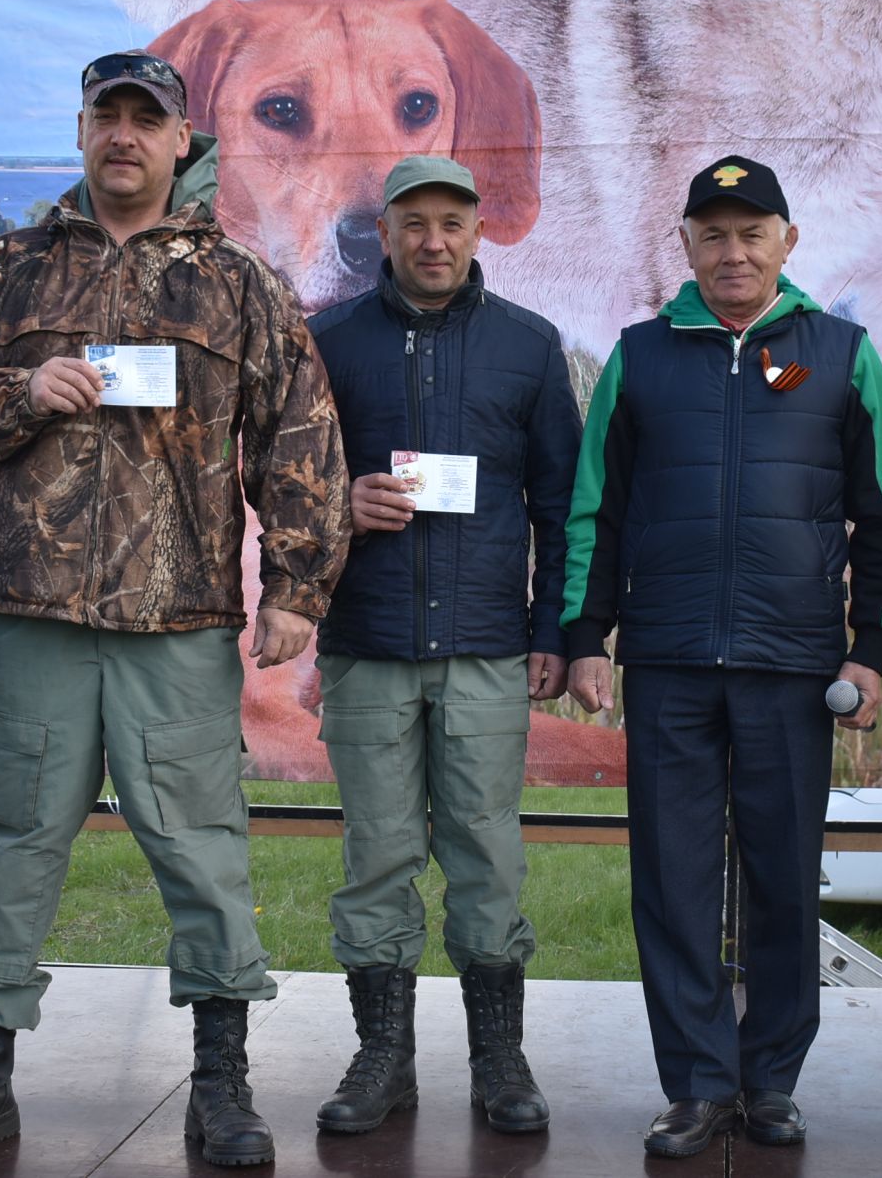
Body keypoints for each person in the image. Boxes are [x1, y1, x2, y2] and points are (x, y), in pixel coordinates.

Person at [0, 50, 350, 1170]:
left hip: (178, 625)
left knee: (202, 853)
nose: (126, 136)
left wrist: (294, 587)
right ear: (84, 128)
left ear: (182, 141)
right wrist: (18, 391)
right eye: (109, 116)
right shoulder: (7, 270)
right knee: (14, 847)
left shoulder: (236, 280)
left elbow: (300, 433)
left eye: (149, 120)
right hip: (33, 617)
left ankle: (223, 1086)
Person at [563, 156, 882, 1158]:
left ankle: (770, 1081)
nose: (733, 251)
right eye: (713, 233)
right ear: (685, 245)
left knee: (780, 876)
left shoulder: (842, 352)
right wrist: (586, 637)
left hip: (793, 666)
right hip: (671, 661)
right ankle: (694, 1082)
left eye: (752, 232)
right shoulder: (641, 356)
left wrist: (869, 649)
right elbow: (597, 503)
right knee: (673, 879)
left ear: (787, 243)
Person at [305, 155, 582, 1136]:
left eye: (452, 223)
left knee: (485, 855)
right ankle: (384, 1055)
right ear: (382, 230)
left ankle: (499, 1056)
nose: (434, 240)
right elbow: (280, 483)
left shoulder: (527, 345)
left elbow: (560, 504)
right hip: (368, 644)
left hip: (484, 650)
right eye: (413, 221)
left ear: (479, 230)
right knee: (376, 857)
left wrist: (552, 630)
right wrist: (337, 505)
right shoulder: (327, 340)